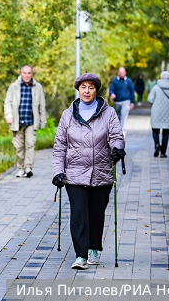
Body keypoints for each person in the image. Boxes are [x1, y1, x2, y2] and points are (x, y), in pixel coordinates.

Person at [51, 73, 125, 270]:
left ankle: (94, 248)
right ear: (78, 90)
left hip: (101, 172)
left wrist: (117, 148)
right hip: (74, 174)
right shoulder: (68, 115)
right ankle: (80, 255)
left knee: (96, 213)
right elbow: (59, 145)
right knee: (78, 214)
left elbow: (117, 135)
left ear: (96, 90)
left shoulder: (108, 113)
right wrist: (58, 171)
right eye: (83, 87)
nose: (86, 91)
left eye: (91, 87)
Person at [3, 65, 47, 178]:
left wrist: (43, 121)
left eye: (29, 73)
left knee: (30, 145)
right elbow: (7, 102)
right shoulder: (14, 87)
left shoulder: (38, 87)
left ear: (32, 74)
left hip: (31, 121)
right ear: (21, 74)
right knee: (19, 147)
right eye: (25, 73)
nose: (27, 75)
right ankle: (21, 168)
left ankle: (28, 168)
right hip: (17, 121)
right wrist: (9, 115)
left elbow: (42, 105)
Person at [148, 71, 169, 158]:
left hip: (156, 112)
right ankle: (163, 152)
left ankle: (157, 145)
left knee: (155, 130)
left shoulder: (156, 87)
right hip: (168, 113)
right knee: (166, 132)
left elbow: (150, 99)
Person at [109, 67, 135, 135]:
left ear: (125, 73)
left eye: (123, 73)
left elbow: (132, 91)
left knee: (124, 115)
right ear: (118, 73)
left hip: (126, 101)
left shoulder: (128, 81)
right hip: (117, 101)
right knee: (118, 116)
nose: (122, 74)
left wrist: (132, 102)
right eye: (120, 73)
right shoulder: (115, 80)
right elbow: (111, 89)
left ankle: (122, 131)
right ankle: (118, 129)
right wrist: (112, 94)